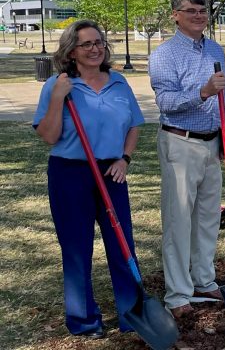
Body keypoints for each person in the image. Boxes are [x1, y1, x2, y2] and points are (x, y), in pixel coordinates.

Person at [33, 19, 144, 339]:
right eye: (87, 44)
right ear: (71, 51)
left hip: (112, 172)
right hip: (70, 173)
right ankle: (84, 321)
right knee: (76, 248)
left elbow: (134, 124)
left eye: (100, 42)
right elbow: (49, 136)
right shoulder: (58, 84)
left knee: (123, 245)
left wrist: (125, 159)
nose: (96, 49)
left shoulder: (119, 81)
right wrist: (57, 98)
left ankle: (132, 314)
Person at [148, 0, 225, 319]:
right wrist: (203, 92)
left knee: (209, 218)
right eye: (190, 11)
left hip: (212, 142)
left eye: (202, 10)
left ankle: (203, 279)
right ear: (176, 15)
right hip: (180, 143)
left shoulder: (214, 49)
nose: (198, 15)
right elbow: (165, 102)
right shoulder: (164, 55)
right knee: (178, 221)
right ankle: (178, 293)